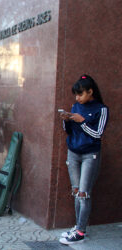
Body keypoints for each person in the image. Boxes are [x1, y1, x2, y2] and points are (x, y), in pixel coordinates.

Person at [58, 75, 109, 245]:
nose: (77, 98)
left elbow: (98, 134)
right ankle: (78, 226)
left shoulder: (101, 109)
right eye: (76, 94)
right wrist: (67, 121)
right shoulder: (75, 106)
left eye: (80, 94)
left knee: (83, 193)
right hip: (73, 152)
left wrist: (82, 122)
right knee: (76, 191)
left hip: (90, 155)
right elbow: (70, 131)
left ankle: (81, 231)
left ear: (90, 92)